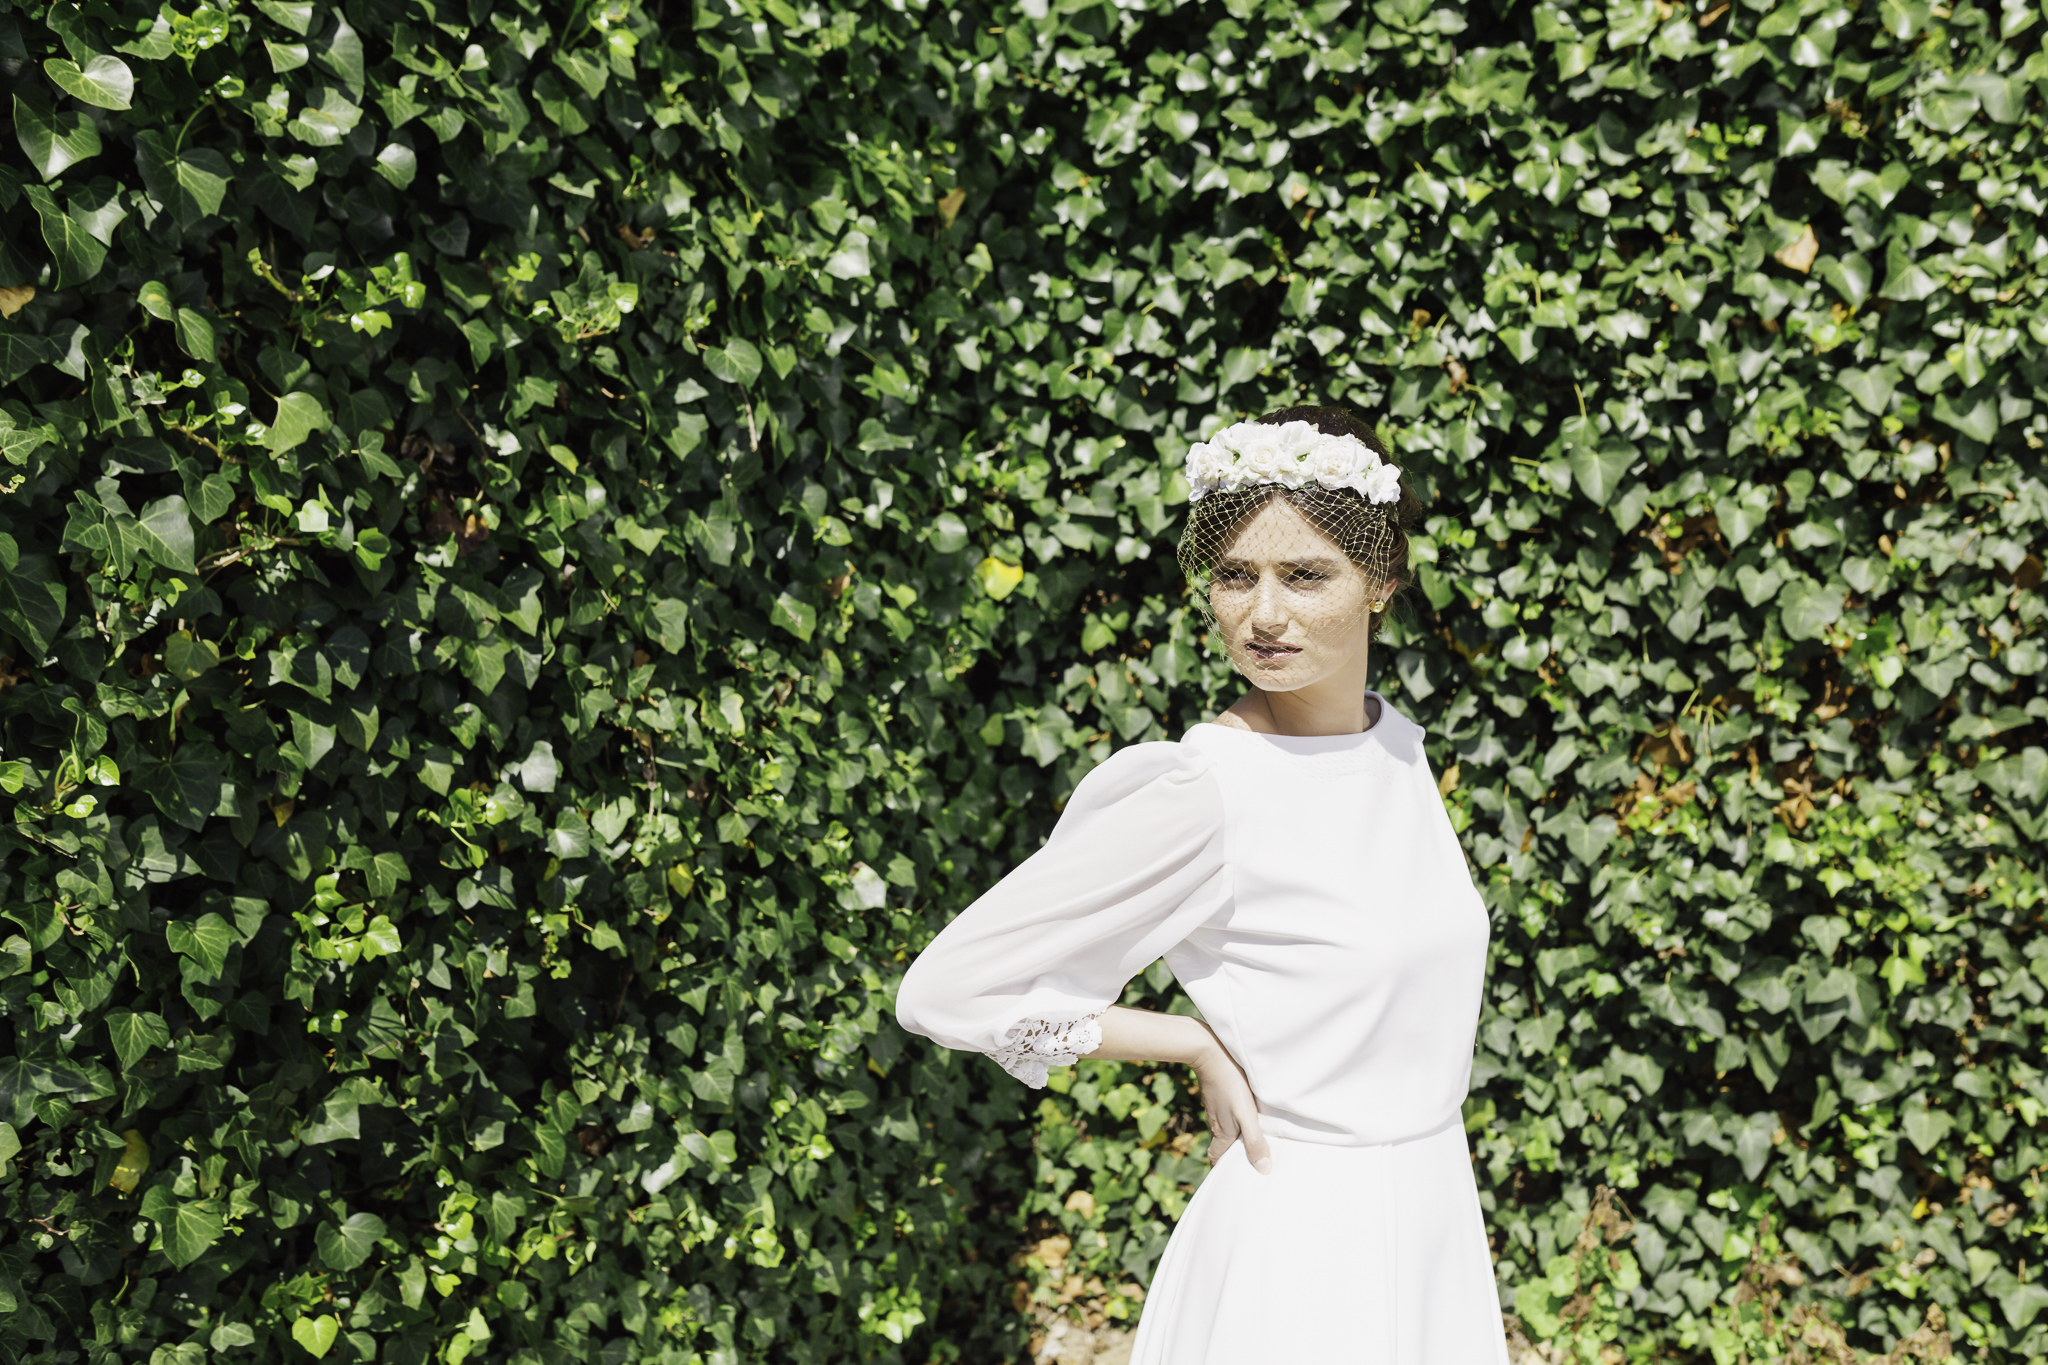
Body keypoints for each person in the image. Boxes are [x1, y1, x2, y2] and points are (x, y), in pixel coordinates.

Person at [895, 405, 1509, 1363]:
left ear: (1382, 581)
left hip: (1436, 1223)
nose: (1263, 614)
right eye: (1234, 575)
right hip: (1299, 1261)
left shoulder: (1394, 743)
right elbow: (945, 989)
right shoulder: (1205, 790)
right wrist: (1187, 1040)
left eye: (1305, 574)